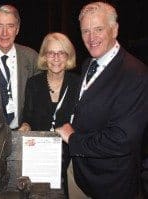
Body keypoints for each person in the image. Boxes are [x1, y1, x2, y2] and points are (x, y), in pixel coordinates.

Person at [55, 2, 148, 198]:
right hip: (80, 173)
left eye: (98, 29)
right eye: (85, 31)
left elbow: (121, 139)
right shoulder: (89, 63)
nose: (91, 38)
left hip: (110, 184)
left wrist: (72, 139)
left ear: (114, 30)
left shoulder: (135, 74)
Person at [18, 32, 80, 197]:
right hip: (41, 157)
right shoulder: (33, 83)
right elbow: (27, 117)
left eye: (61, 53)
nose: (56, 58)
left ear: (68, 56)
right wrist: (25, 126)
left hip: (69, 157)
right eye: (51, 53)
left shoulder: (78, 84)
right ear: (44, 56)